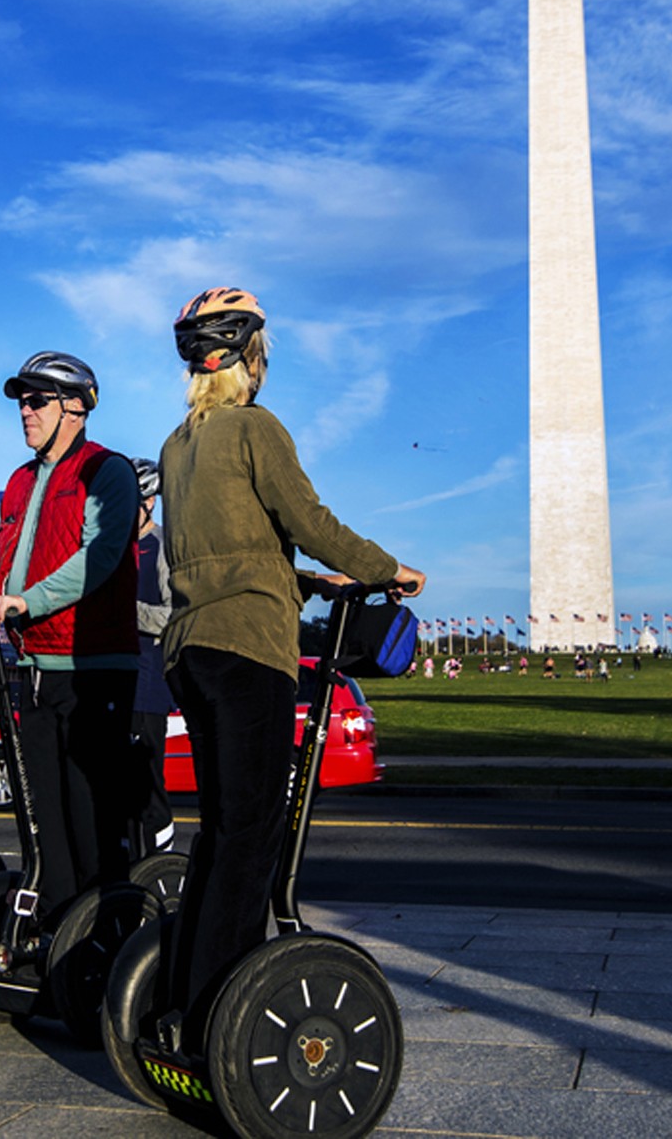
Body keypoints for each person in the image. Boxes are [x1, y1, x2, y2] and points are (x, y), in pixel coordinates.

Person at [153, 286, 423, 1044]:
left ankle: (181, 1001)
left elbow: (219, 553)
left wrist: (309, 582)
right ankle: (216, 1016)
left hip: (190, 647)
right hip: (248, 650)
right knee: (253, 835)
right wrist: (387, 568)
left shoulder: (180, 445)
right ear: (247, 354)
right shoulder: (255, 428)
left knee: (220, 831)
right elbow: (308, 520)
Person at [0, 351, 139, 912]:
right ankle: (58, 931)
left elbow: (103, 554)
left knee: (90, 818)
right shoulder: (20, 481)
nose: (24, 410)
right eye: (21, 400)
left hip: (94, 669)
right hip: (33, 669)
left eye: (36, 399)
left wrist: (25, 601)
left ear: (75, 407)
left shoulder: (106, 470)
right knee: (44, 819)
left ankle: (104, 936)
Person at [131, 457, 176, 857]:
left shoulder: (162, 546)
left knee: (148, 785)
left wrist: (126, 611)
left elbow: (173, 615)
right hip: (114, 677)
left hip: (148, 683)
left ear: (150, 502)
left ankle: (160, 867)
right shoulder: (111, 547)